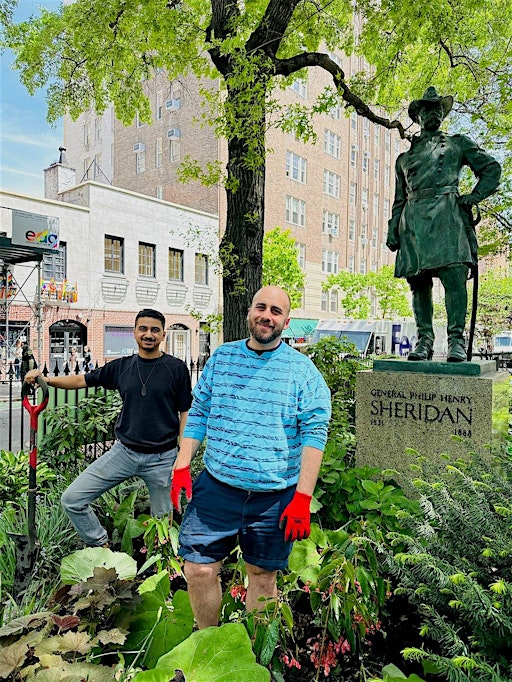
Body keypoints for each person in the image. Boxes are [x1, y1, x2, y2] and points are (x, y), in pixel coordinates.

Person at [171, 286, 331, 629]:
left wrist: (302, 498)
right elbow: (199, 412)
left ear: (285, 322)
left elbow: (314, 436)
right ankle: (208, 646)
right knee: (198, 569)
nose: (267, 316)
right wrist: (182, 465)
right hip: (218, 488)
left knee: (261, 576)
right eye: (261, 307)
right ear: (248, 311)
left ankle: (253, 657)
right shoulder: (222, 358)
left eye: (276, 311)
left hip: (274, 496)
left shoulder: (303, 373)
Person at [24, 308, 192, 548]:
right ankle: (102, 547)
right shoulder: (122, 367)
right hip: (123, 453)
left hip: (162, 458)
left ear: (163, 335)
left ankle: (160, 568)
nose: (148, 334)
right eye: (143, 329)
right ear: (134, 333)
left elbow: (185, 411)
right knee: (72, 499)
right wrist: (46, 380)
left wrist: (182, 456)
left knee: (163, 524)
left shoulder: (176, 368)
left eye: (155, 330)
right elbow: (83, 380)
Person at [386, 86, 501, 362]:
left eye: (438, 108)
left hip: (449, 218)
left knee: (454, 278)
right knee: (419, 284)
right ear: (419, 115)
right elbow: (399, 199)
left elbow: (491, 168)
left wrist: (474, 196)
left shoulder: (456, 144)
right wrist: (393, 230)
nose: (434, 112)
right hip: (413, 223)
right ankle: (424, 340)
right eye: (428, 109)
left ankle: (456, 341)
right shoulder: (404, 158)